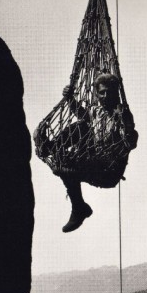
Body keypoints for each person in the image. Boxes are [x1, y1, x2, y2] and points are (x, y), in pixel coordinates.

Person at [59, 73, 137, 233]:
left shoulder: (122, 115)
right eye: (102, 92)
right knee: (80, 128)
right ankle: (78, 207)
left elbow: (131, 143)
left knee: (68, 166)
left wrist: (127, 128)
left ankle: (79, 208)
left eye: (109, 92)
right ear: (96, 94)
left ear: (116, 93)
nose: (105, 96)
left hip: (109, 171)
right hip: (94, 160)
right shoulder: (95, 111)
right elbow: (81, 114)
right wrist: (70, 99)